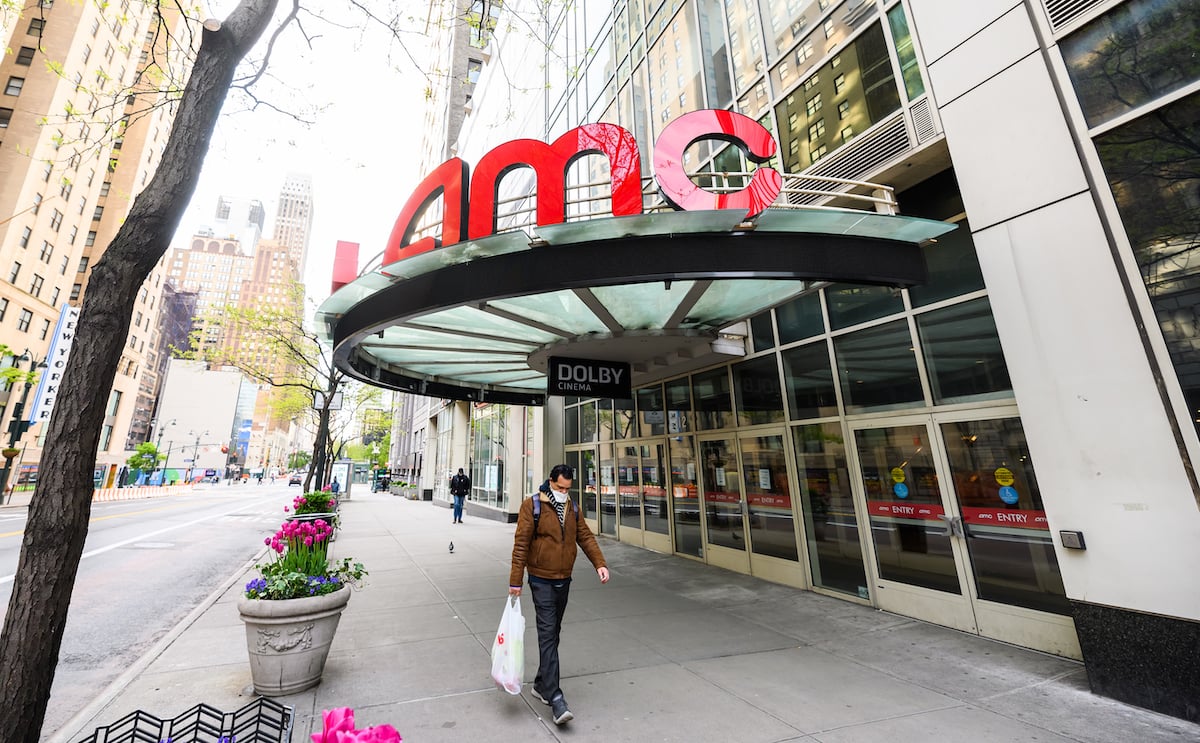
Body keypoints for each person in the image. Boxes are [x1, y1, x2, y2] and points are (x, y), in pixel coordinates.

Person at [509, 464, 609, 726]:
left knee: (554, 633)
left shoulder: (572, 507)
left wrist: (600, 563)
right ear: (550, 482)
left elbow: (585, 536)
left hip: (564, 579)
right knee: (546, 632)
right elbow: (521, 544)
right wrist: (516, 581)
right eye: (560, 487)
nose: (564, 492)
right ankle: (555, 698)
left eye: (568, 488)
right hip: (541, 579)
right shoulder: (533, 505)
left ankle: (542, 683)